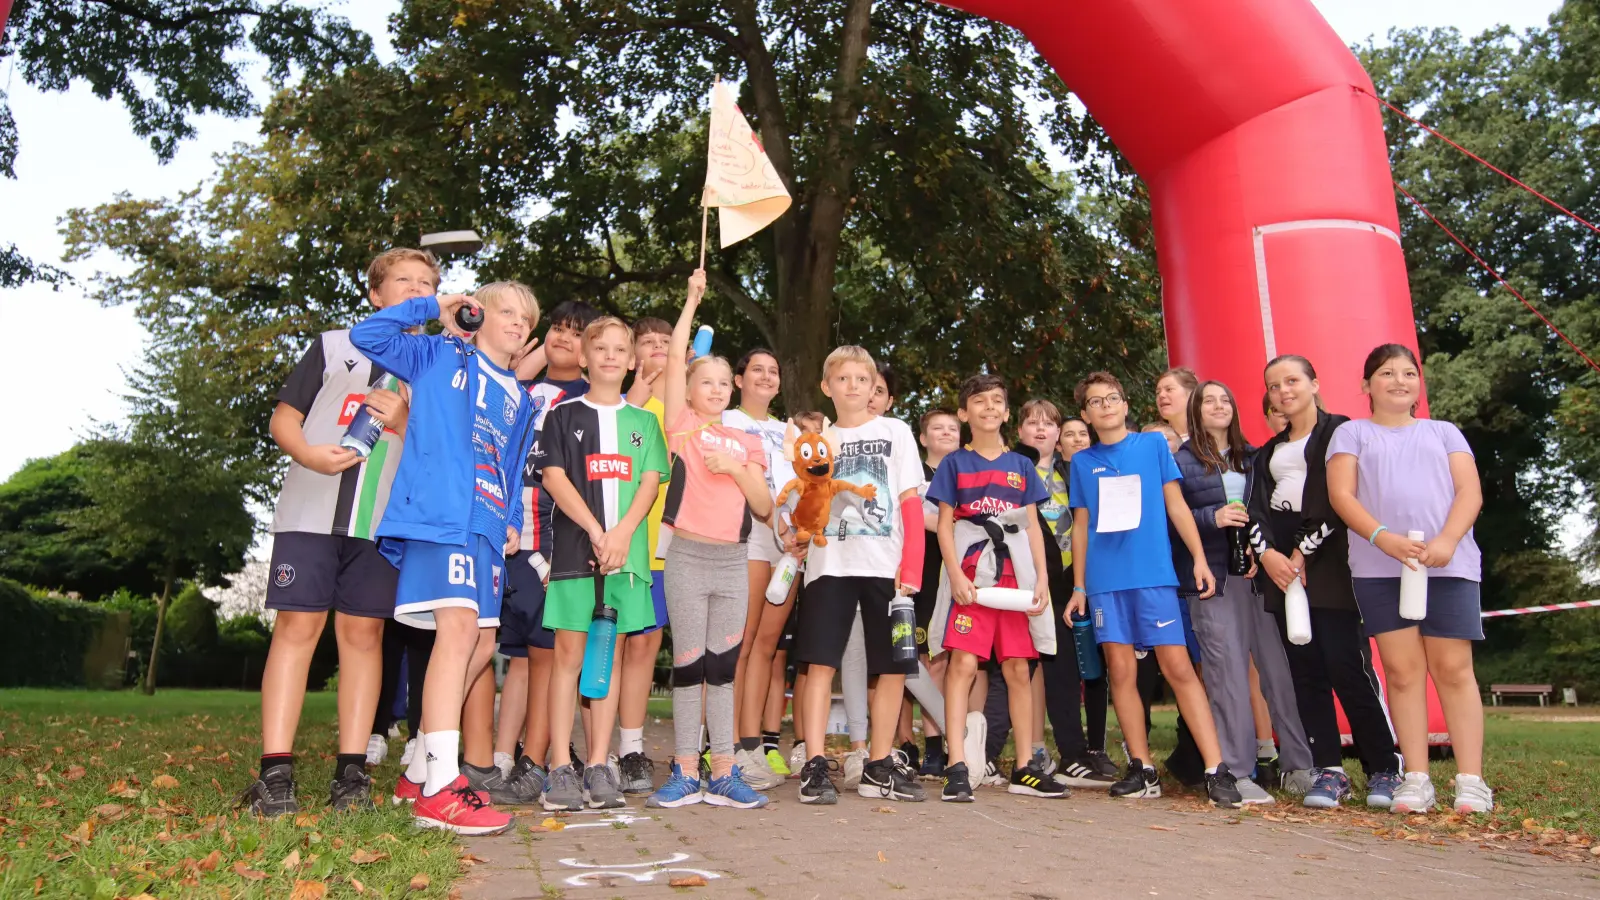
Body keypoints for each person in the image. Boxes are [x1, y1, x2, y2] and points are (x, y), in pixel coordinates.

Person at [240, 248, 432, 818]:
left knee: (364, 637)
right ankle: (276, 775)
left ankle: (352, 777)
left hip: (381, 525)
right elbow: (283, 418)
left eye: (428, 283)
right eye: (403, 280)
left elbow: (439, 450)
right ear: (376, 294)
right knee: (296, 630)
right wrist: (308, 455)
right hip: (309, 513)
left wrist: (406, 420)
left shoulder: (437, 363)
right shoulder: (332, 343)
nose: (416, 289)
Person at [353, 281, 540, 835]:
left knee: (481, 643)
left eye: (526, 318)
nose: (517, 323)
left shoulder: (521, 397)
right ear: (477, 314)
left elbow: (508, 467)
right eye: (505, 312)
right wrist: (432, 308)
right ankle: (440, 788)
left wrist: (509, 523)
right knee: (457, 633)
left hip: (485, 528)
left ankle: (417, 769)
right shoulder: (437, 354)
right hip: (439, 518)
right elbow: (368, 334)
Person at [1326, 344, 1492, 814]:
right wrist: (1384, 539)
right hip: (1381, 569)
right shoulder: (1351, 435)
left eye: (1408, 373)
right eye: (1386, 373)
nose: (1399, 381)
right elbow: (1342, 496)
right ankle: (1416, 778)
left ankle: (1471, 780)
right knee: (1401, 672)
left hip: (1447, 565)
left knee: (1454, 670)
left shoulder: (1444, 432)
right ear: (1366, 385)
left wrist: (1447, 541)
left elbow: (1469, 491)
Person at [1064, 371, 1242, 808]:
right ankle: (1142, 767)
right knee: (1121, 673)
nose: (1105, 406)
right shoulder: (1083, 463)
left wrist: (1199, 558)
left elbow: (1176, 505)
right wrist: (1079, 587)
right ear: (1085, 414)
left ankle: (1216, 768)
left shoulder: (1152, 446)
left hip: (1154, 576)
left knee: (1179, 668)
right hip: (1106, 584)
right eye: (1095, 401)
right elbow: (1081, 527)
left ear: (1126, 405)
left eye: (1112, 398)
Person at [644, 270, 774, 809]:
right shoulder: (682, 426)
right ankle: (682, 769)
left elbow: (765, 506)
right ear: (693, 390)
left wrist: (737, 468)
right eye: (707, 382)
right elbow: (675, 359)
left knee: (722, 669)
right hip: (688, 558)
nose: (716, 389)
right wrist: (691, 303)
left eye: (724, 383)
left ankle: (722, 770)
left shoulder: (748, 438)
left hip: (733, 561)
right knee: (690, 665)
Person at [1249, 354, 1400, 809]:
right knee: (1306, 675)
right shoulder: (1267, 453)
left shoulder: (1342, 433)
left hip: (1332, 569)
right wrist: (1270, 554)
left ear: (1314, 383)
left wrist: (1301, 550)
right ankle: (1329, 770)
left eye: (1292, 381)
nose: (1284, 391)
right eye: (1275, 386)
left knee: (1347, 667)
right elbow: (1254, 510)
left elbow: (1338, 500)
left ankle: (1384, 769)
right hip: (1283, 576)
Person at [464, 300, 598, 806]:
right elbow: (508, 364)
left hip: (555, 538)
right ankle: (497, 757)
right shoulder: (519, 388)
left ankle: (535, 760)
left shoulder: (591, 399)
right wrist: (541, 344)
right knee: (507, 652)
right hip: (501, 526)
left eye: (575, 334)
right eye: (556, 330)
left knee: (546, 655)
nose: (563, 338)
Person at [534, 316, 667, 812]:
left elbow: (650, 485)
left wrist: (623, 534)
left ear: (632, 361)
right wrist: (596, 531)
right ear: (585, 358)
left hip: (625, 559)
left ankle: (597, 764)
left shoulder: (645, 423)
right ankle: (558, 769)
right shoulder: (563, 416)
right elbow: (553, 478)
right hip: (576, 553)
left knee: (606, 660)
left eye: (620, 349)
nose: (610, 356)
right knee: (567, 658)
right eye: (601, 348)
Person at [792, 346, 927, 804]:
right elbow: (807, 504)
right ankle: (814, 764)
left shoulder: (896, 431)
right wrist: (798, 533)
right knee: (819, 664)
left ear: (875, 389)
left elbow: (910, 501)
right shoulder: (817, 442)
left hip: (886, 568)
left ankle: (878, 764)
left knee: (891, 667)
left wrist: (912, 566)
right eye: (842, 379)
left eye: (861, 379)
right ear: (827, 387)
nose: (852, 386)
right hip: (830, 567)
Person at [1172, 381, 1313, 805]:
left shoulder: (1254, 457)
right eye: (1208, 400)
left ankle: (1298, 764)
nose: (1218, 406)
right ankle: (1237, 770)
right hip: (1213, 579)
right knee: (1227, 674)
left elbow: (1272, 511)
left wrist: (1266, 549)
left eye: (1225, 399)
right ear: (1194, 411)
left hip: (1260, 577)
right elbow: (1170, 518)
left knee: (1278, 670)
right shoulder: (1181, 461)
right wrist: (1210, 516)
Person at [930, 375, 1063, 802]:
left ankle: (1025, 766)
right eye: (979, 401)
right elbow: (946, 527)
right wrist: (955, 575)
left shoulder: (1022, 467)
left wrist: (1041, 577)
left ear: (1007, 413)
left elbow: (1033, 530)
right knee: (963, 666)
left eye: (997, 402)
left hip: (1015, 581)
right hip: (973, 578)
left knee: (1019, 669)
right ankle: (956, 765)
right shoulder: (954, 464)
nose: (989, 407)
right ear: (964, 413)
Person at [1015, 400, 1117, 788]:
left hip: (1071, 584)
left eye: (1049, 424)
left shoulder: (1074, 472)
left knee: (1066, 668)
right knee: (1013, 668)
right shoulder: (1013, 469)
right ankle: (997, 752)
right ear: (1020, 430)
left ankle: (1074, 754)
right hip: (1024, 581)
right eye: (1032, 423)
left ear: (1059, 435)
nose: (1041, 429)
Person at [723, 347, 798, 788]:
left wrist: (802, 530)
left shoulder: (786, 429)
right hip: (749, 533)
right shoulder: (728, 421)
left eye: (773, 371)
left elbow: (802, 484)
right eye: (757, 370)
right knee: (744, 643)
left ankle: (750, 747)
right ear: (739, 379)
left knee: (767, 648)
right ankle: (727, 745)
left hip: (788, 543)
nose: (767, 377)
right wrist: (777, 522)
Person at [612, 315, 673, 795]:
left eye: (666, 342)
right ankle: (598, 750)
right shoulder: (623, 406)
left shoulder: (684, 409)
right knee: (609, 646)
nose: (657, 349)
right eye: (647, 343)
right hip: (622, 546)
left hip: (665, 553)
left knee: (646, 647)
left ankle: (632, 748)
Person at [912, 408, 962, 778]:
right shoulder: (914, 475)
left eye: (952, 429)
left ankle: (952, 741)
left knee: (951, 658)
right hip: (923, 572)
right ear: (923, 438)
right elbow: (911, 516)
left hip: (962, 572)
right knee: (925, 660)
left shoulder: (968, 473)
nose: (946, 433)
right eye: (937, 429)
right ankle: (930, 747)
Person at [1155, 366, 1199, 442]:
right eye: (1158, 392)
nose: (1161, 395)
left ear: (1191, 394)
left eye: (1169, 389)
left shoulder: (1211, 437)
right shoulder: (1153, 440)